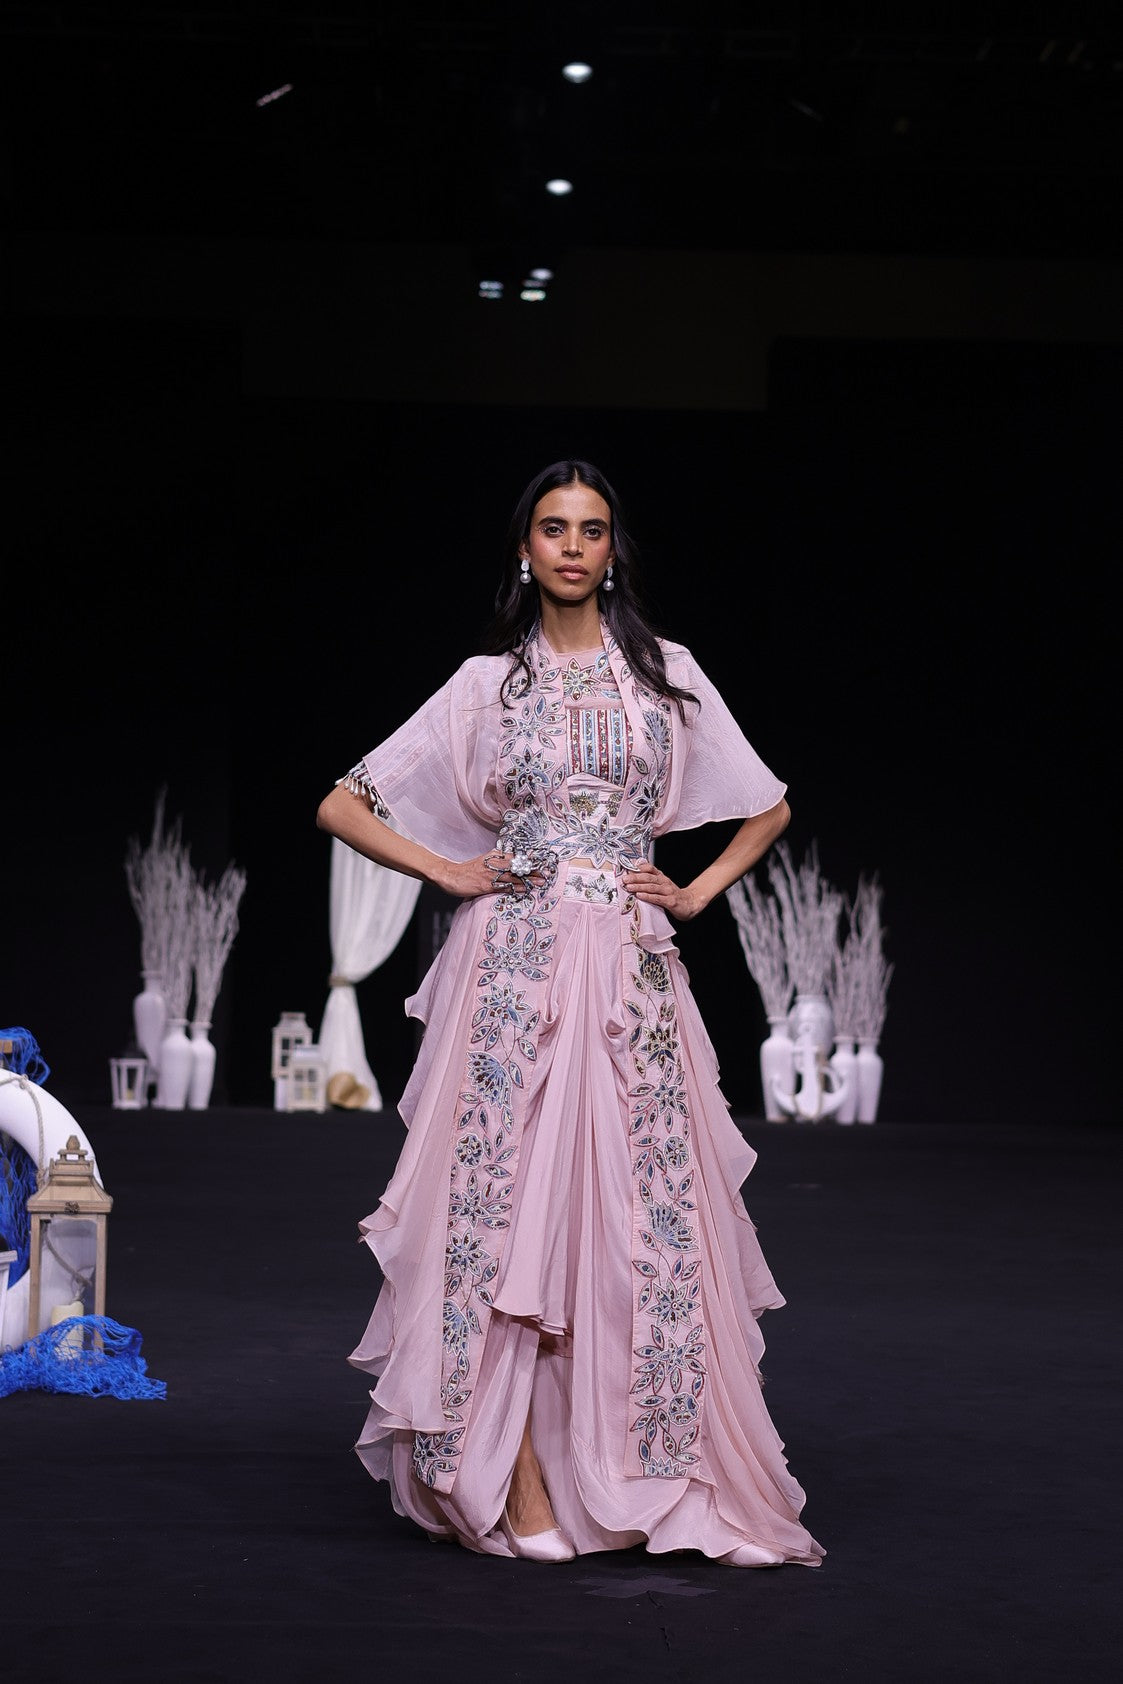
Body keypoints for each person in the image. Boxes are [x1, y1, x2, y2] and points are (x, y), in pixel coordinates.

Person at [316, 458, 824, 1569]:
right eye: (552, 528)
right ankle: (509, 1475)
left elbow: (769, 802)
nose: (572, 546)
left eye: (591, 529)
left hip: (633, 973)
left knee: (647, 1223)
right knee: (508, 1217)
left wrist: (691, 890)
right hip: (516, 972)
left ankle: (675, 1478)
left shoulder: (665, 674)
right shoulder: (485, 684)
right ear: (525, 550)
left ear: (611, 550)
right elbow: (340, 803)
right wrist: (449, 871)